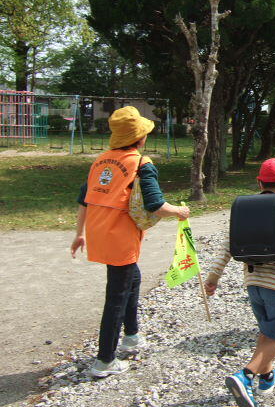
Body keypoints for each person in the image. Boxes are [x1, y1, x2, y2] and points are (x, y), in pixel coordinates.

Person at [70, 106, 190, 378]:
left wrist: (79, 234)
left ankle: (132, 336)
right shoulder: (141, 164)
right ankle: (104, 360)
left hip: (98, 233)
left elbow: (84, 200)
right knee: (116, 296)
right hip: (120, 237)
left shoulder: (100, 161)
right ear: (139, 137)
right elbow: (156, 204)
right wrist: (180, 212)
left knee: (132, 278)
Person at [204, 158, 275, 407]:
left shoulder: (244, 207)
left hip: (253, 283)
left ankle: (267, 377)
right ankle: (245, 375)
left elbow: (228, 246)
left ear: (259, 182)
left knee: (266, 331)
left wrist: (213, 278)